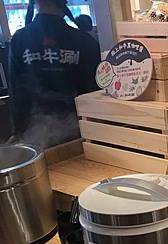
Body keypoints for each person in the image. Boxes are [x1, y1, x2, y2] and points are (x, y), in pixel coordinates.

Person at [8, 0, 100, 147]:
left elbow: (16, 92)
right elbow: (94, 93)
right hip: (79, 132)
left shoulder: (19, 39)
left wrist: (17, 132)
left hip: (34, 134)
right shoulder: (85, 41)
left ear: (35, 3)